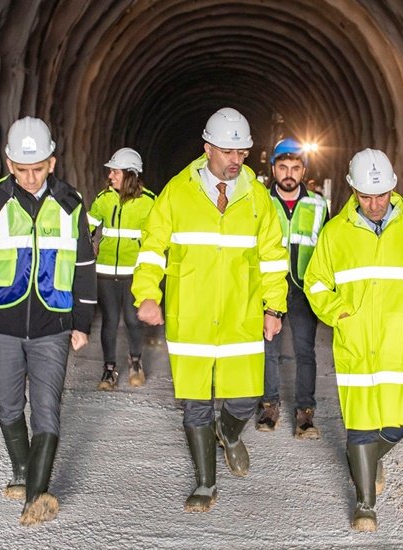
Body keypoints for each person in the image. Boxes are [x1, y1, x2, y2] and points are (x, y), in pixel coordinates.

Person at [132, 107, 288, 513]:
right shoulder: (177, 193)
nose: (236, 160)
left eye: (242, 152)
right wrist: (147, 294)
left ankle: (230, 434)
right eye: (227, 151)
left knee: (246, 398)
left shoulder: (258, 199)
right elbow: (152, 248)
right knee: (195, 401)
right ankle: (205, 483)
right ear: (207, 149)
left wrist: (275, 307)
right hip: (192, 315)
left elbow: (273, 257)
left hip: (241, 314)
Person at [0, 117, 96, 526]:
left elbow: (84, 268)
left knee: (47, 409)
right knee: (9, 405)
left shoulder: (71, 205)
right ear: (9, 164)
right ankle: (21, 468)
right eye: (22, 169)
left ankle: (37, 494)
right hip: (1, 324)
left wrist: (81, 322)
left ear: (52, 162)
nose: (31, 178)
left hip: (54, 325)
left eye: (38, 168)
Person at [304, 149, 403, 532]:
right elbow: (316, 283)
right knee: (361, 425)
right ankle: (365, 503)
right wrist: (341, 315)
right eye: (366, 195)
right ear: (353, 190)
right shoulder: (336, 234)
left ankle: (366, 459)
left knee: (400, 424)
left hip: (401, 345)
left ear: (393, 188)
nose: (374, 203)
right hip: (356, 346)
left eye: (381, 194)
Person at [256, 138, 329, 438]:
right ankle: (269, 406)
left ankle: (305, 414)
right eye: (283, 167)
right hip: (269, 287)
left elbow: (326, 248)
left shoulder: (318, 205)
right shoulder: (260, 202)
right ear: (273, 169)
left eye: (295, 168)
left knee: (305, 352)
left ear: (303, 171)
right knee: (268, 349)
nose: (288, 173)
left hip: (302, 289)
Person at [87, 147, 156, 390]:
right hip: (106, 270)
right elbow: (89, 224)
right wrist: (88, 243)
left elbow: (156, 237)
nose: (111, 176)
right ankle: (108, 369)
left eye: (115, 172)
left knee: (132, 319)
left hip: (134, 272)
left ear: (130, 174)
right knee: (110, 320)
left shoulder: (148, 202)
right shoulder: (103, 199)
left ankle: (136, 361)